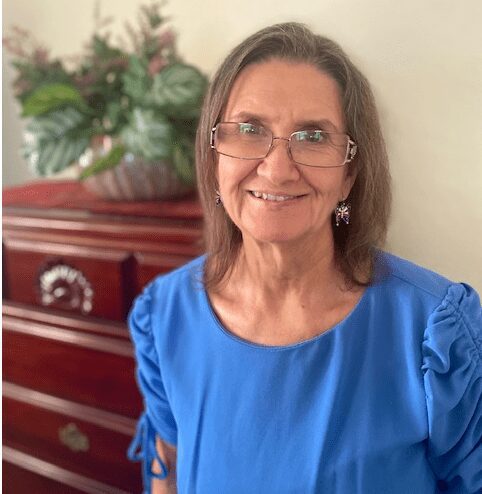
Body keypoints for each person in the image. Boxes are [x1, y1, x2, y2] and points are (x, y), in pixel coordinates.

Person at [127, 22, 481, 494]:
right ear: (214, 156)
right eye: (249, 130)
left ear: (350, 174)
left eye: (312, 137)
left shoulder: (435, 335)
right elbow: (166, 470)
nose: (277, 169)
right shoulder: (163, 314)